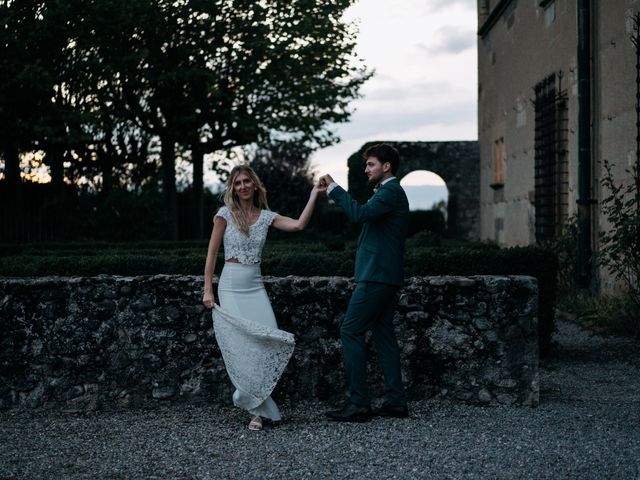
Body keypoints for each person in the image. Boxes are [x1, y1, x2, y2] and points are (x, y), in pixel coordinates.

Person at [203, 165, 321, 431]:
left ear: (255, 185)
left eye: (247, 181)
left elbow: (299, 225)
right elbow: (211, 256)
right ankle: (257, 412)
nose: (243, 186)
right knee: (244, 346)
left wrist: (314, 193)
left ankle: (254, 401)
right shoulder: (225, 215)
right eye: (237, 183)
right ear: (233, 188)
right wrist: (208, 289)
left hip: (255, 286)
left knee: (266, 339)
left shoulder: (266, 217)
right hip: (231, 286)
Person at [318, 143, 409, 422]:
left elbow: (358, 215)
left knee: (350, 331)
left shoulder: (391, 191)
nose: (366, 169)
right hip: (384, 276)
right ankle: (395, 402)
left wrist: (334, 188)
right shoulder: (388, 192)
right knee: (384, 337)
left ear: (386, 166)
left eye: (370, 164)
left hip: (376, 277)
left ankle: (358, 403)